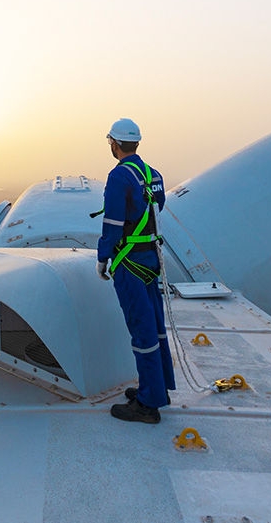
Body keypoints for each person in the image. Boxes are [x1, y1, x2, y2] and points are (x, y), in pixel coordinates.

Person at [97, 118, 175, 423]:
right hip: (151, 258)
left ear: (113, 143)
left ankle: (148, 404)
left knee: (141, 330)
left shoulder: (119, 177)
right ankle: (156, 387)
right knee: (154, 326)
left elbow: (114, 222)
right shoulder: (153, 174)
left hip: (129, 262)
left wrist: (104, 256)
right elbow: (158, 208)